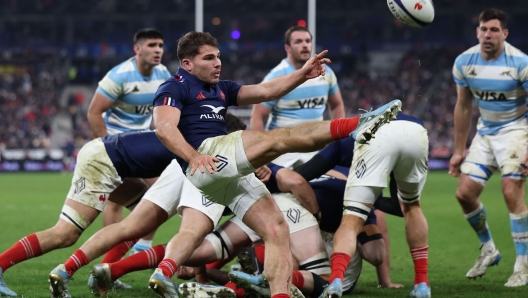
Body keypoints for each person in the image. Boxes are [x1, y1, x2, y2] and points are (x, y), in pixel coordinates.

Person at [148, 31, 401, 298]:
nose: (218, 63)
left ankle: (165, 273)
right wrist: (194, 157)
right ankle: (357, 125)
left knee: (276, 228)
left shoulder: (221, 88)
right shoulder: (173, 87)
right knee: (278, 139)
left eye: (218, 56)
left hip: (221, 176)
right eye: (209, 58)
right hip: (207, 156)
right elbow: (164, 128)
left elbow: (266, 90)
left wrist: (302, 75)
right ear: (187, 64)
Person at [0, 129, 217, 297]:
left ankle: (106, 272)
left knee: (144, 220)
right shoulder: (200, 148)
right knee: (65, 233)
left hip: (113, 160)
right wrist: (201, 275)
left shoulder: (190, 136)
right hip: (103, 161)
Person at [449, 8, 528, 287]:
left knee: (510, 190)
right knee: (465, 194)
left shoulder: (520, 62)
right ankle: (489, 250)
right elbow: (463, 105)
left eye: (494, 30)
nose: (487, 34)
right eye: (483, 29)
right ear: (477, 31)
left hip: (517, 131)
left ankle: (523, 265)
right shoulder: (464, 62)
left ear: (504, 34)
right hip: (486, 133)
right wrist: (459, 150)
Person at [317, 114, 431, 298]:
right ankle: (422, 284)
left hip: (378, 138)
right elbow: (398, 208)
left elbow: (305, 171)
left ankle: (336, 280)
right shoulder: (401, 120)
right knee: (412, 207)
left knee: (351, 219)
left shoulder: (342, 142)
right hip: (416, 132)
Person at [87, 28, 171, 259]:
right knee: (115, 204)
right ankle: (110, 261)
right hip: (119, 147)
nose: (158, 50)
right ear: (138, 49)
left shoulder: (163, 73)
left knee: (163, 192)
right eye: (152, 45)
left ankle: (141, 247)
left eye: (161, 45)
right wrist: (105, 150)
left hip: (144, 144)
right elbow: (94, 113)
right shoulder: (119, 76)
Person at [250, 25, 345, 169]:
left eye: (307, 41)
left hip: (315, 151)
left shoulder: (326, 73)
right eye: (298, 42)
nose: (305, 45)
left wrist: (338, 140)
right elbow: (258, 116)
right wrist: (261, 156)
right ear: (287, 48)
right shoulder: (276, 76)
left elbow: (336, 105)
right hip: (281, 154)